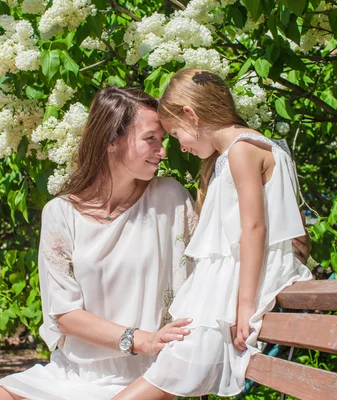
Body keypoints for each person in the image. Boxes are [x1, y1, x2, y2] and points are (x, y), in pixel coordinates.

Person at [0, 85, 311, 400]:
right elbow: (65, 314)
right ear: (111, 141)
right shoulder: (60, 214)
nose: (163, 151)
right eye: (151, 139)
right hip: (71, 374)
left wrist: (287, 233)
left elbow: (224, 254)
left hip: (148, 378)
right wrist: (140, 338)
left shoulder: (170, 199)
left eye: (164, 139)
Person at [113, 69, 313, 400]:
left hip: (236, 292)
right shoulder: (236, 153)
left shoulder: (242, 149)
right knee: (168, 373)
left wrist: (244, 307)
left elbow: (255, 227)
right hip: (224, 291)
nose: (180, 146)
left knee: (167, 376)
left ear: (191, 115)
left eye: (176, 133)